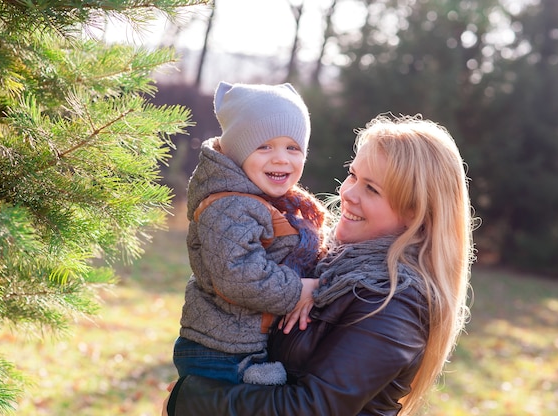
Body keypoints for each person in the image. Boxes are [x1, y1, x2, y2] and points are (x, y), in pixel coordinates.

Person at [163, 113, 475, 415]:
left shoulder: (394, 302)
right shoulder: (329, 265)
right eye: (353, 175)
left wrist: (189, 401)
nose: (348, 193)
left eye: (372, 189)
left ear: (415, 214)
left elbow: (313, 408)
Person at [173, 81, 330, 387]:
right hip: (220, 351)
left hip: (238, 345)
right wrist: (301, 290)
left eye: (292, 147)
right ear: (237, 152)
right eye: (264, 146)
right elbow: (239, 276)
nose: (281, 158)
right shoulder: (230, 205)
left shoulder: (261, 200)